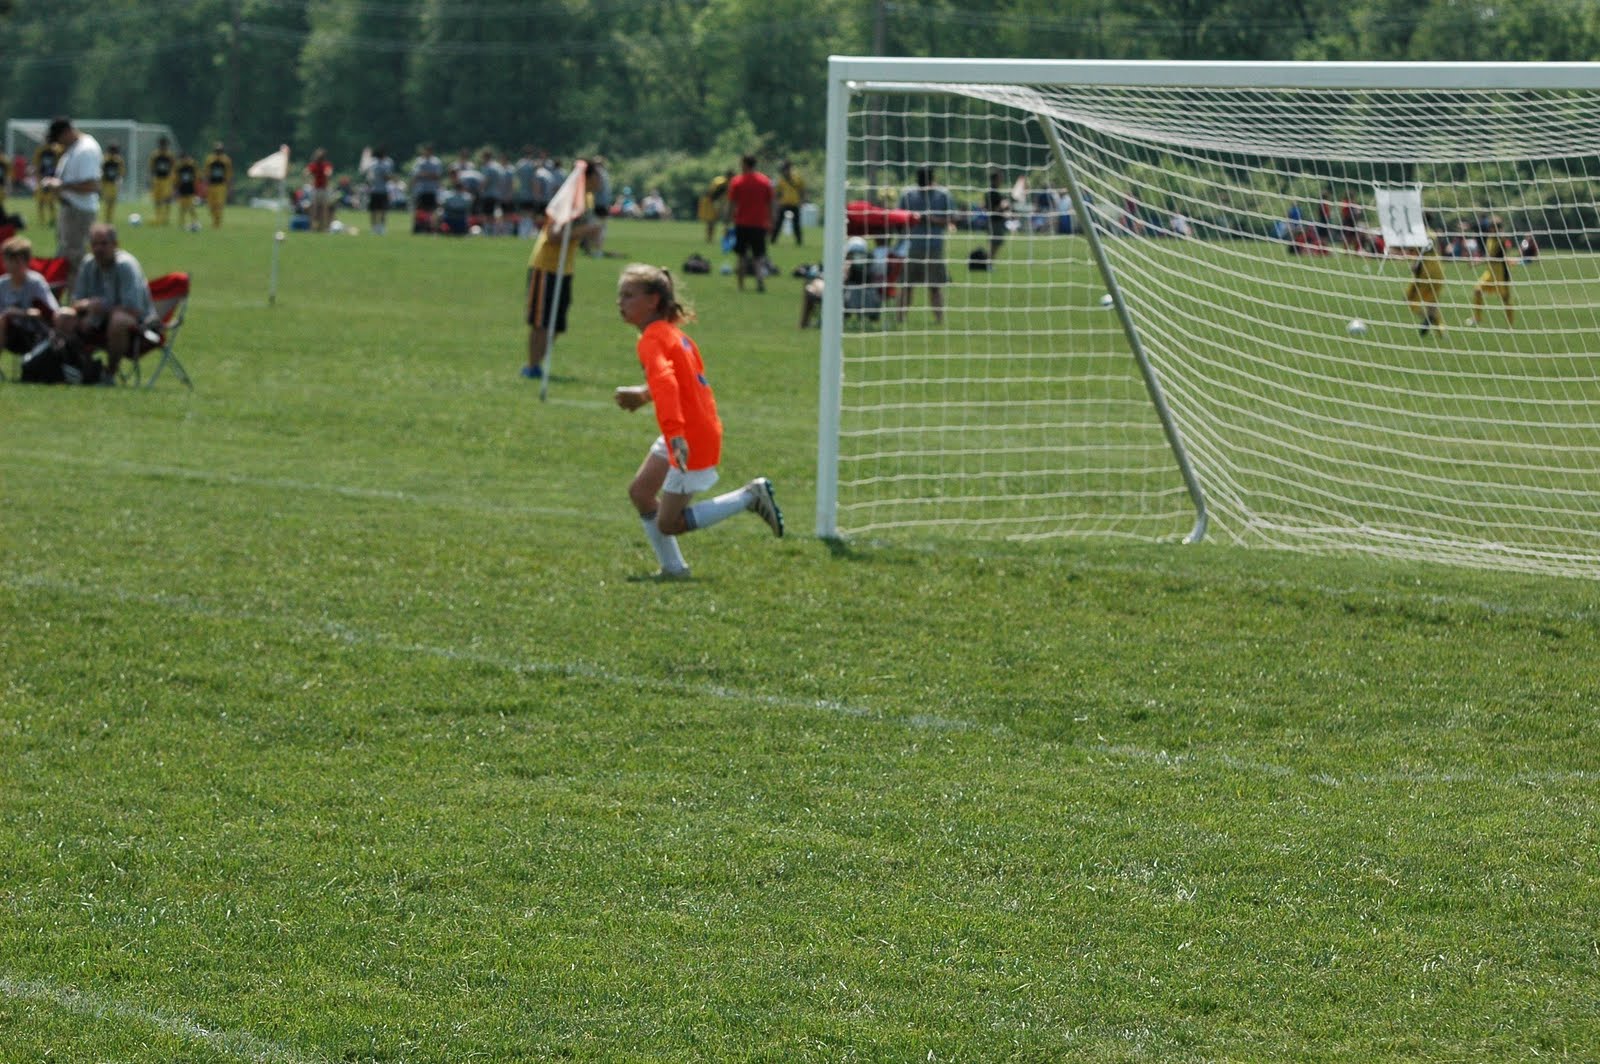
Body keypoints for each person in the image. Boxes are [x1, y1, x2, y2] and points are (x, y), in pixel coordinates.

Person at [611, 262, 784, 578]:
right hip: (692, 428)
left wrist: (676, 435)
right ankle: (673, 569)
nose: (620, 303)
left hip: (688, 437)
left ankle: (749, 496)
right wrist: (643, 395)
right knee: (641, 492)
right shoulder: (673, 334)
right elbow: (680, 381)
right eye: (620, 295)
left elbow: (667, 382)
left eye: (628, 295)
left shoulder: (651, 339)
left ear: (653, 300)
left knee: (668, 522)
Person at [522, 160, 603, 380]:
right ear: (588, 177)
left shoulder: (588, 199)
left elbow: (578, 234)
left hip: (565, 268)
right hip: (546, 266)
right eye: (599, 175)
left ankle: (537, 363)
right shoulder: (568, 198)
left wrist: (591, 238)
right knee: (541, 322)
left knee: (557, 324)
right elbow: (555, 235)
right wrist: (588, 229)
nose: (602, 180)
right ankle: (531, 366)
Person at [52, 223, 157, 382]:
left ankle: (110, 373)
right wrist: (88, 307)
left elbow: (133, 309)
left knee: (118, 320)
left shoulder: (126, 266)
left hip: (136, 326)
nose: (98, 249)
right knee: (63, 316)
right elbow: (76, 301)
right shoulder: (88, 264)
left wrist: (100, 310)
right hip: (96, 321)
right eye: (94, 244)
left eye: (104, 244)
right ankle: (75, 368)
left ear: (115, 245)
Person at [40, 118, 103, 285]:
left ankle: (78, 302)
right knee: (65, 259)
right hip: (71, 210)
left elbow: (92, 185)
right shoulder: (74, 148)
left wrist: (61, 186)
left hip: (79, 212)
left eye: (59, 138)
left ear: (67, 132)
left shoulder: (86, 150)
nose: (58, 143)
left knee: (75, 261)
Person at [897, 165, 953, 324]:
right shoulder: (908, 194)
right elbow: (898, 217)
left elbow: (953, 218)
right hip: (910, 247)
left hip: (933, 248)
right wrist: (911, 218)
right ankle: (900, 320)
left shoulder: (943, 195)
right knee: (906, 286)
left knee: (935, 287)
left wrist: (932, 219)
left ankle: (939, 321)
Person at [0, 235, 60, 371]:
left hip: (34, 332)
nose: (12, 264)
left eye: (17, 260)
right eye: (8, 260)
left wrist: (20, 313)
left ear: (26, 262)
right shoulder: (2, 284)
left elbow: (52, 310)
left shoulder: (36, 282)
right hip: (9, 334)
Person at [726, 154, 774, 293]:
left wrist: (727, 221)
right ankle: (760, 281)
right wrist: (771, 221)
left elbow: (732, 204)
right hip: (759, 223)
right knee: (758, 255)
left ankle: (741, 285)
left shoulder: (737, 181)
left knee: (741, 255)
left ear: (745, 164)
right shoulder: (765, 181)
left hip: (742, 223)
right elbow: (770, 203)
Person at [1469, 216, 1515, 326]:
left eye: (1494, 227)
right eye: (1491, 227)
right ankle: (1477, 318)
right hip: (1490, 272)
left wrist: (1477, 262)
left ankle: (1510, 324)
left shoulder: (1501, 240)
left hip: (1500, 273)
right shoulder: (1489, 239)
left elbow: (1492, 256)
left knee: (1505, 299)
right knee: (1477, 290)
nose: (1491, 229)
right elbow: (1488, 255)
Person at [1406, 231, 1446, 336]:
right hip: (1438, 269)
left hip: (1425, 271)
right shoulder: (1433, 234)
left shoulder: (1417, 233)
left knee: (1409, 299)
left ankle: (1427, 318)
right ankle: (1441, 333)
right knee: (1432, 302)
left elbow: (1417, 252)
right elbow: (1438, 250)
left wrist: (1414, 265)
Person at [771, 160, 805, 245]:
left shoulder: (797, 179)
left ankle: (799, 242)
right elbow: (777, 194)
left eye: (786, 169)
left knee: (796, 224)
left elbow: (802, 191)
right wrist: (776, 204)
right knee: (778, 223)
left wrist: (802, 201)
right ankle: (773, 240)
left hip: (794, 203)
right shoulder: (781, 180)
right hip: (783, 204)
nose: (785, 171)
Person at [32, 137, 63, 228]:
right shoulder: (40, 151)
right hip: (42, 178)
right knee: (41, 201)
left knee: (51, 201)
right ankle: (42, 221)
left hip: (53, 179)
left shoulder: (56, 151)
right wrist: (38, 178)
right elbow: (37, 165)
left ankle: (53, 219)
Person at [364, 146, 394, 235]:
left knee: (374, 211)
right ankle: (381, 228)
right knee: (382, 210)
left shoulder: (372, 164)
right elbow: (387, 177)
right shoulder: (386, 164)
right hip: (382, 190)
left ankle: (374, 228)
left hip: (374, 190)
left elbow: (369, 178)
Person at [203, 141, 233, 228]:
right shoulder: (210, 159)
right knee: (211, 205)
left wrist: (229, 186)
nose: (218, 151)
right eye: (217, 149)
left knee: (219, 204)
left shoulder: (226, 160)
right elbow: (206, 172)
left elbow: (229, 174)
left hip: (221, 185)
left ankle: (217, 223)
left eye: (220, 149)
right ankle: (214, 220)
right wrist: (205, 184)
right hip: (211, 185)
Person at [148, 136, 177, 226]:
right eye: (162, 144)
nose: (163, 146)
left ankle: (166, 218)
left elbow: (173, 167)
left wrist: (173, 179)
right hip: (157, 179)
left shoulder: (170, 156)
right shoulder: (155, 155)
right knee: (157, 200)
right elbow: (151, 168)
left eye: (165, 144)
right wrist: (151, 179)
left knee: (167, 199)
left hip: (167, 179)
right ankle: (158, 217)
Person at [698, 170, 731, 243]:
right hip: (710, 202)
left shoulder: (721, 181)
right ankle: (710, 239)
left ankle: (715, 239)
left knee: (718, 221)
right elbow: (712, 194)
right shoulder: (722, 183)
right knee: (711, 221)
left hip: (714, 202)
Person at [305, 148, 334, 232]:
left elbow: (328, 172)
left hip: (323, 189)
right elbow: (307, 172)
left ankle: (323, 227)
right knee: (315, 209)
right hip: (316, 188)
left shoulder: (326, 165)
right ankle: (313, 227)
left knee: (324, 209)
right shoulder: (314, 165)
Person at [984, 168, 1011, 258]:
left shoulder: (994, 192)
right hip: (994, 221)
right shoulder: (992, 193)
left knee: (996, 243)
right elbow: (992, 209)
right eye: (1000, 177)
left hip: (997, 221)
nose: (1002, 179)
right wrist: (1003, 206)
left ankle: (989, 262)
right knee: (994, 243)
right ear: (995, 179)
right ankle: (989, 263)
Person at [410, 144, 443, 214]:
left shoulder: (436, 162)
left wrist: (424, 174)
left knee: (432, 211)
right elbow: (416, 175)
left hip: (432, 190)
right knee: (419, 210)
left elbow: (437, 176)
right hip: (421, 190)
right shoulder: (419, 161)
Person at [174, 148, 200, 231]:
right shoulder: (179, 166)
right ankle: (182, 223)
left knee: (191, 207)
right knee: (182, 208)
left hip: (190, 189)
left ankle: (195, 222)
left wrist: (196, 187)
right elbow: (177, 178)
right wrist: (176, 188)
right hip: (182, 189)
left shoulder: (192, 166)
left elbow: (196, 177)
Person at [100, 143, 124, 223]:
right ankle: (106, 219)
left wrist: (119, 181)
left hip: (114, 184)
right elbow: (100, 171)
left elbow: (121, 172)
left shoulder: (118, 161)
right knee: (108, 201)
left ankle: (109, 219)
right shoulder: (105, 160)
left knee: (112, 202)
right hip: (106, 183)